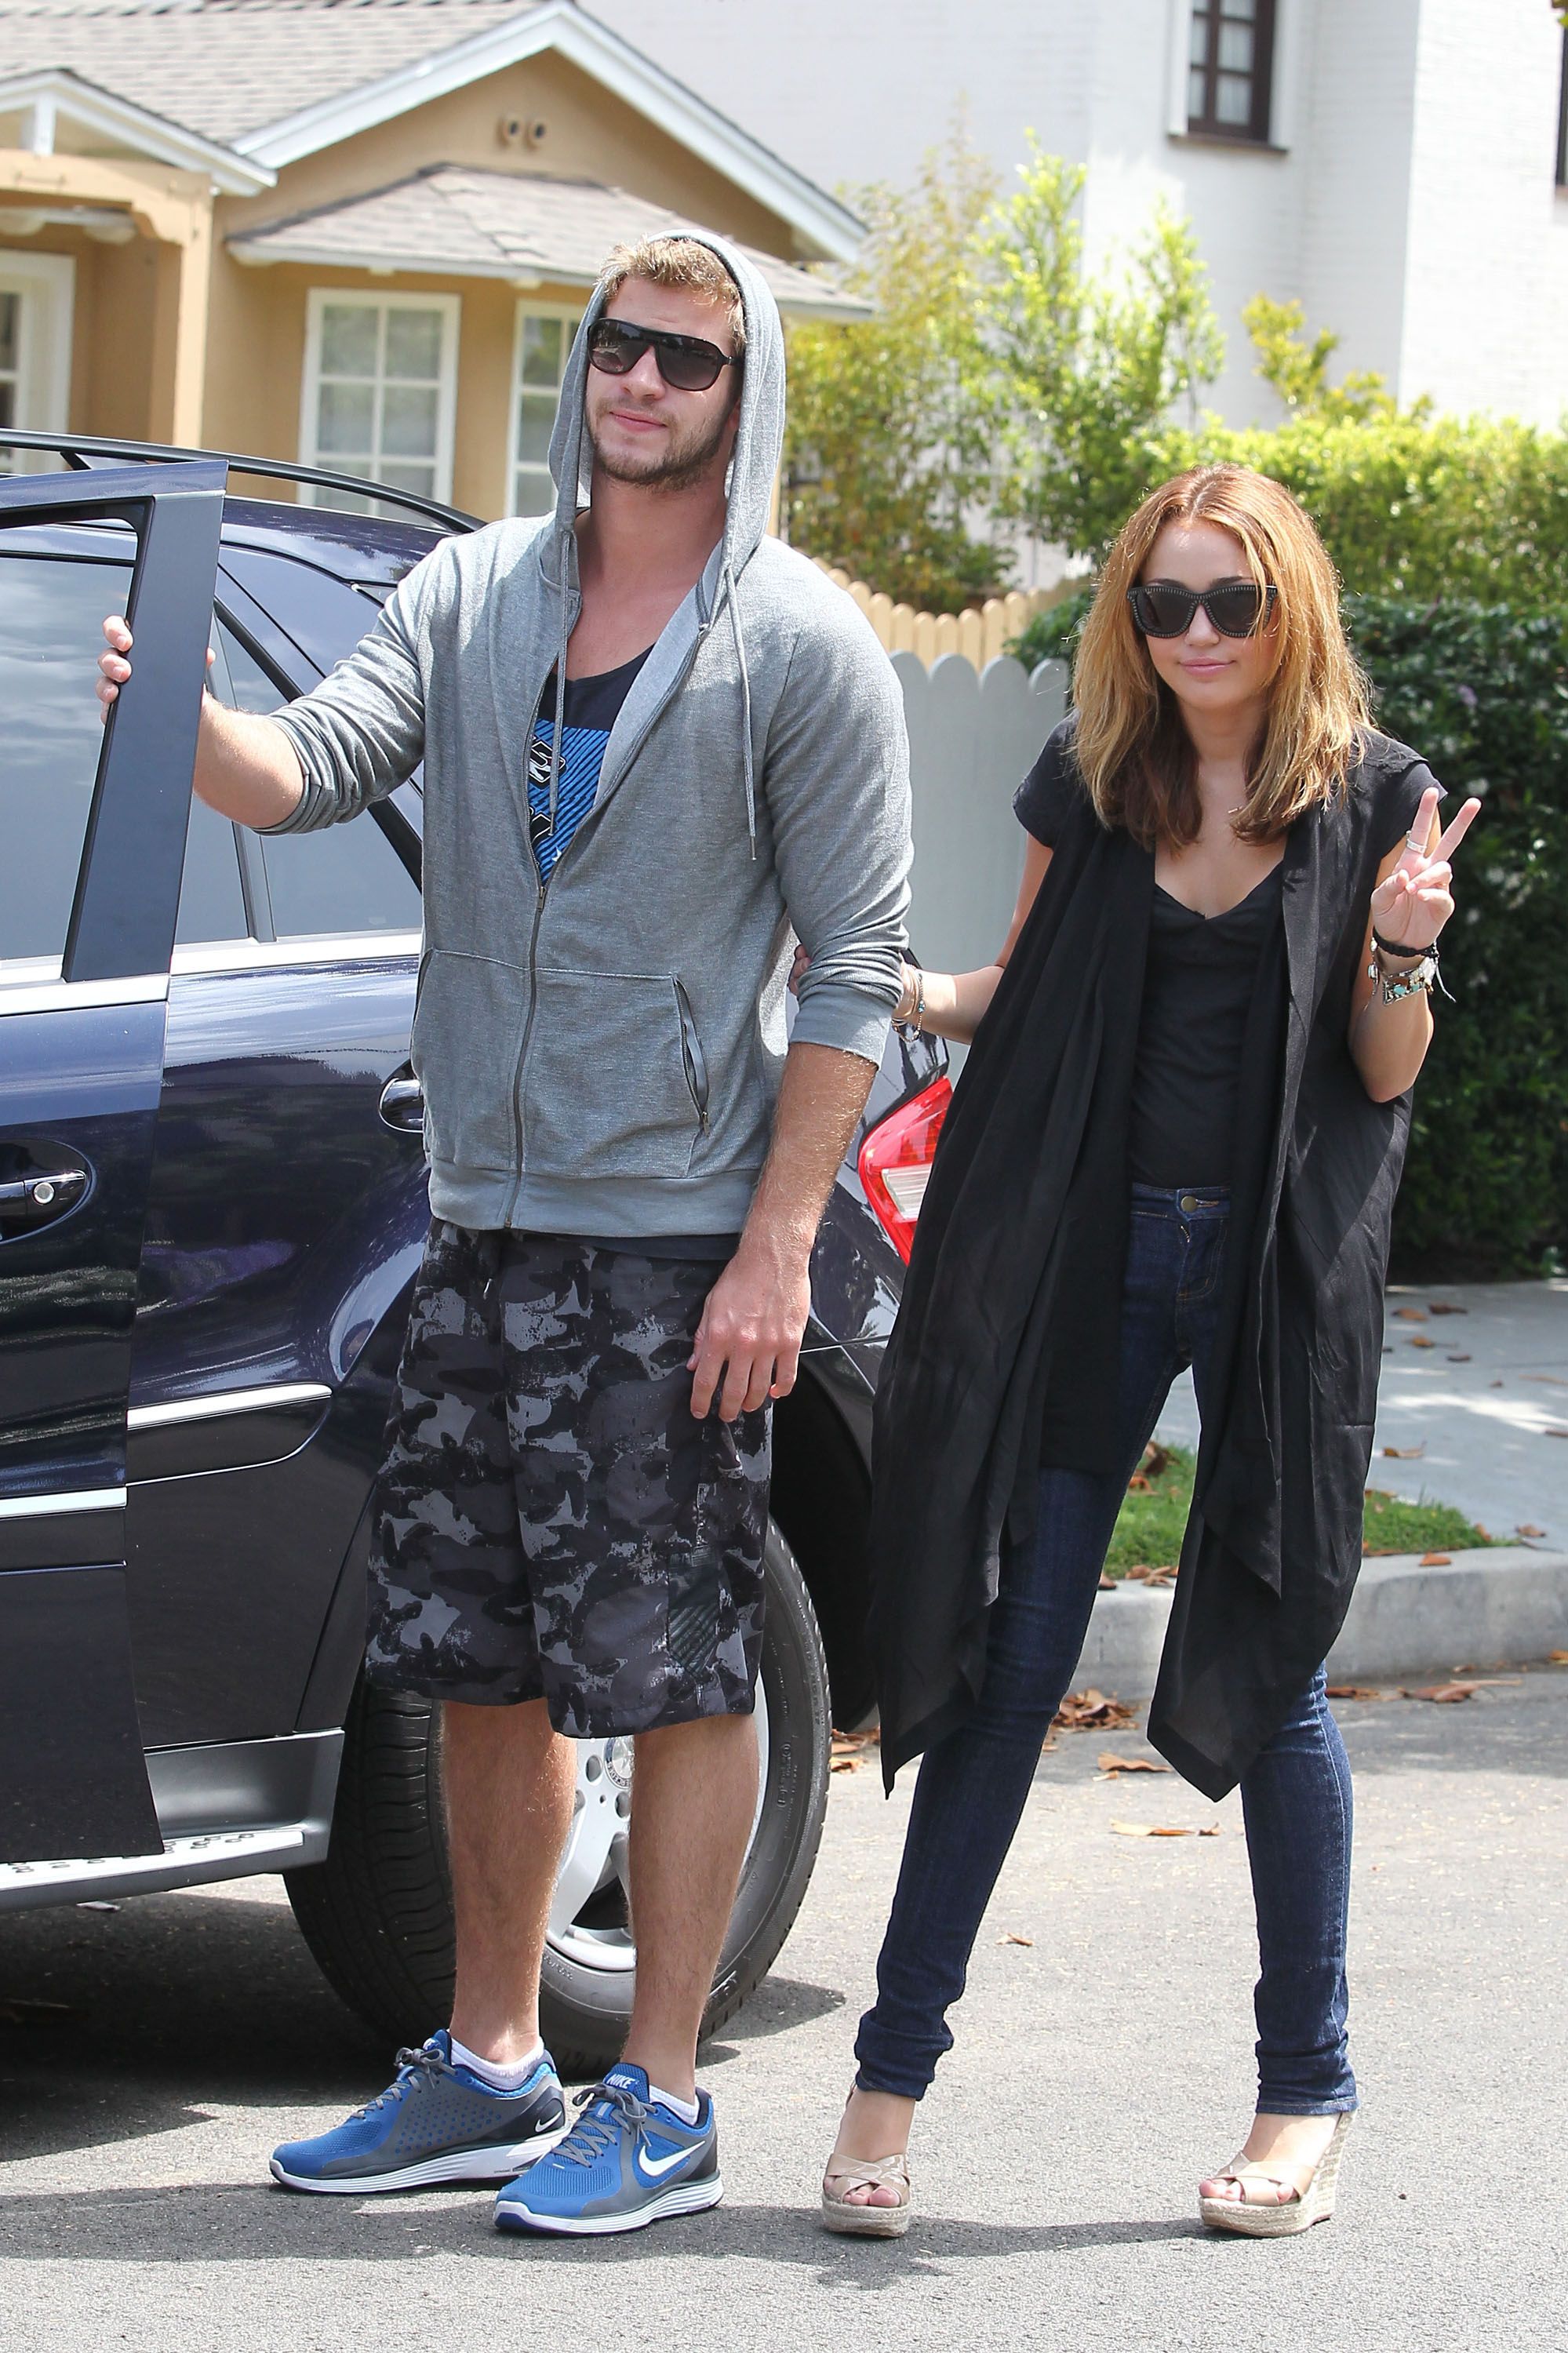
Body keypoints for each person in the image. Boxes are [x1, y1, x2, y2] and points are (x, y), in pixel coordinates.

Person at [100, 235, 911, 2238]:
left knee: (683, 1671)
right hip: (473, 1219)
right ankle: (484, 2064)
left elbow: (855, 968)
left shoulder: (797, 644)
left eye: (687, 359)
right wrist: (186, 723)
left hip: (674, 1241)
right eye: (619, 346)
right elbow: (308, 769)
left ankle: (667, 2096)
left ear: (744, 389)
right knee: (473, 1660)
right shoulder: (471, 596)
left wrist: (775, 1248)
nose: (641, 381)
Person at [817, 464, 1479, 2240]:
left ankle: (1304, 2097)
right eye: (1163, 601)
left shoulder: (1377, 797)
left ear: (1288, 609)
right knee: (1011, 1661)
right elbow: (1015, 990)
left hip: (1268, 1279)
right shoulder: (1097, 778)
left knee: (1274, 1670)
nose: (1195, 634)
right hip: (1089, 1259)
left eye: (1229, 602)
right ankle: (886, 2083)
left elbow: (1382, 1072)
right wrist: (883, 985)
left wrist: (1402, 949)